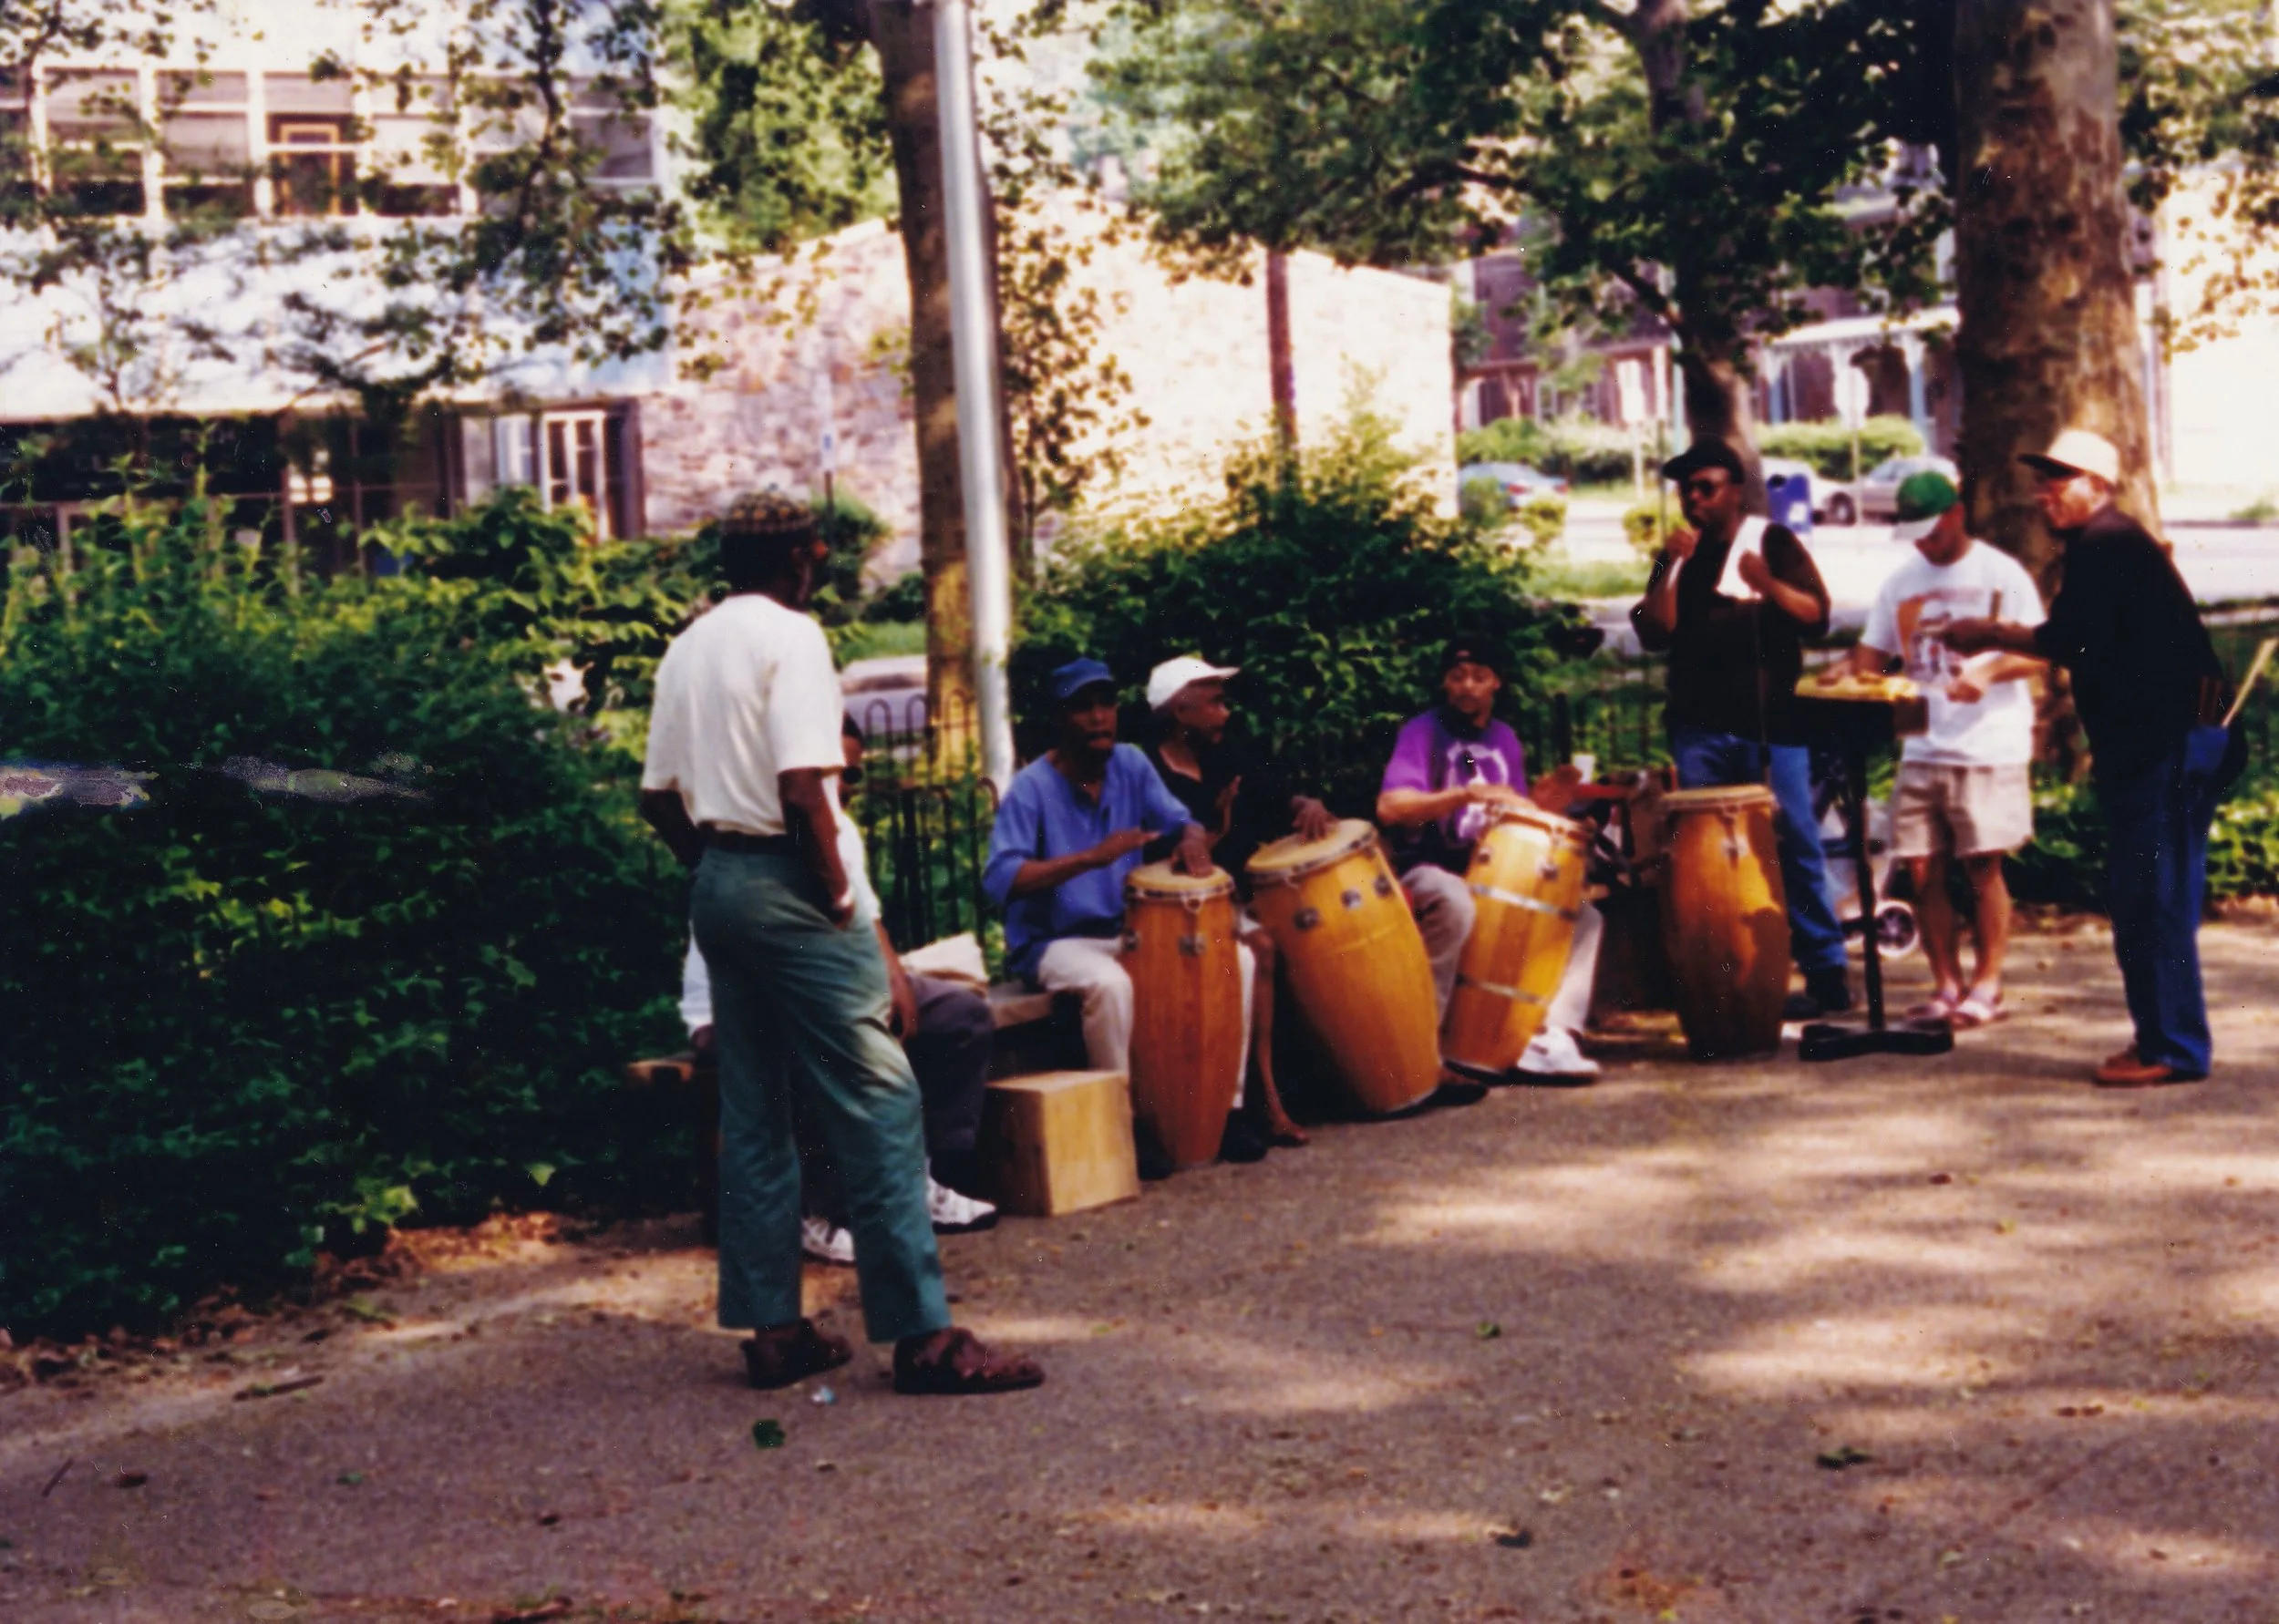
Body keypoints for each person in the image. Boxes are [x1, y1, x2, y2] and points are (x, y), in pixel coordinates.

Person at [640, 488, 1040, 1395]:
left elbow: (657, 799)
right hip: (792, 883)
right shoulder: (793, 637)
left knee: (755, 1117)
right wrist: (834, 892)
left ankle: (773, 1330)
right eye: (818, 555)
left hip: (722, 884)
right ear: (802, 558)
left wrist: (719, 870)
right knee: (881, 1103)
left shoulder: (689, 646)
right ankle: (924, 1340)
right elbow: (803, 786)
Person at [1944, 428, 2235, 1086]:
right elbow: (2097, 643)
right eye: (2042, 479)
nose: (2044, 492)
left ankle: (2171, 1048)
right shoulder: (2109, 544)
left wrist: (1988, 633)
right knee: (2155, 897)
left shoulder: (2106, 543)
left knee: (2151, 899)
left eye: (2060, 479)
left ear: (2099, 486)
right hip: (2178, 739)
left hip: (2168, 745)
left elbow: (2070, 639)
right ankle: (2167, 1039)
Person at [679, 722, 999, 1266]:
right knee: (831, 1044)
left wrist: (895, 979)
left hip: (836, 987)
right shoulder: (752, 837)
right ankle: (812, 1211)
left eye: (853, 775)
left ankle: (919, 1178)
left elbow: (866, 913)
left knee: (958, 1015)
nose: (846, 787)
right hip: (738, 1008)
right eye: (834, 774)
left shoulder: (842, 830)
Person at [985, 660, 1278, 1157]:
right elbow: (1000, 881)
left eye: (1106, 704)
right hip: (1054, 943)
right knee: (1111, 985)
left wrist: (1191, 840)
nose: (1098, 717)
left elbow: (1181, 820)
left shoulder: (1131, 764)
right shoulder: (1030, 788)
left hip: (1127, 931)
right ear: (1060, 719)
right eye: (1083, 707)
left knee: (1239, 959)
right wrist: (1089, 858)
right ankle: (1125, 1126)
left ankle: (1225, 1111)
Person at [1630, 440, 1851, 1022]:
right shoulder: (1674, 553)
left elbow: (1817, 616)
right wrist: (1669, 567)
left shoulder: (1771, 541)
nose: (1694, 500)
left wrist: (1767, 584)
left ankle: (1826, 970)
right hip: (1699, 728)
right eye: (1686, 490)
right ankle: (1725, 972)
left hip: (1772, 726)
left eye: (1705, 488)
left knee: (1794, 842)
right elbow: (1654, 631)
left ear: (1734, 491)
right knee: (1708, 854)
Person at [1843, 470, 2046, 1030]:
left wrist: (1990, 671)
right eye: (1915, 536)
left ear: (1957, 514)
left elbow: (2040, 650)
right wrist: (1851, 673)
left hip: (1987, 743)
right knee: (1921, 868)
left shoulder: (2001, 573)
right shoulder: (1902, 582)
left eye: (1932, 533)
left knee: (1983, 866)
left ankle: (1988, 984)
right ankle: (1946, 984)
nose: (1925, 546)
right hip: (1923, 744)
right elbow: (1872, 655)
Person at [1376, 631, 1604, 1082]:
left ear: (1496, 682)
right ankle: (1423, 1048)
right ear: (1445, 683)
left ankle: (1552, 1037)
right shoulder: (1422, 732)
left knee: (1583, 917)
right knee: (1454, 900)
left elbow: (1508, 821)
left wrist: (1540, 808)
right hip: (1429, 869)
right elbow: (1390, 808)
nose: (1467, 686)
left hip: (1492, 872)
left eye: (1479, 676)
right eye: (1457, 676)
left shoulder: (1505, 739)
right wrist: (1463, 795)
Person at [1142, 654, 1327, 1146]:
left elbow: (1278, 796)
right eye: (1215, 704)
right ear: (1180, 712)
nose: (1225, 714)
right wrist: (1218, 829)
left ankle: (1318, 1078)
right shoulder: (1148, 774)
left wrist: (1305, 805)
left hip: (1236, 899)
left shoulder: (1225, 754)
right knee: (1260, 948)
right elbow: (1168, 867)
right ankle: (1259, 1101)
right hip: (1181, 914)